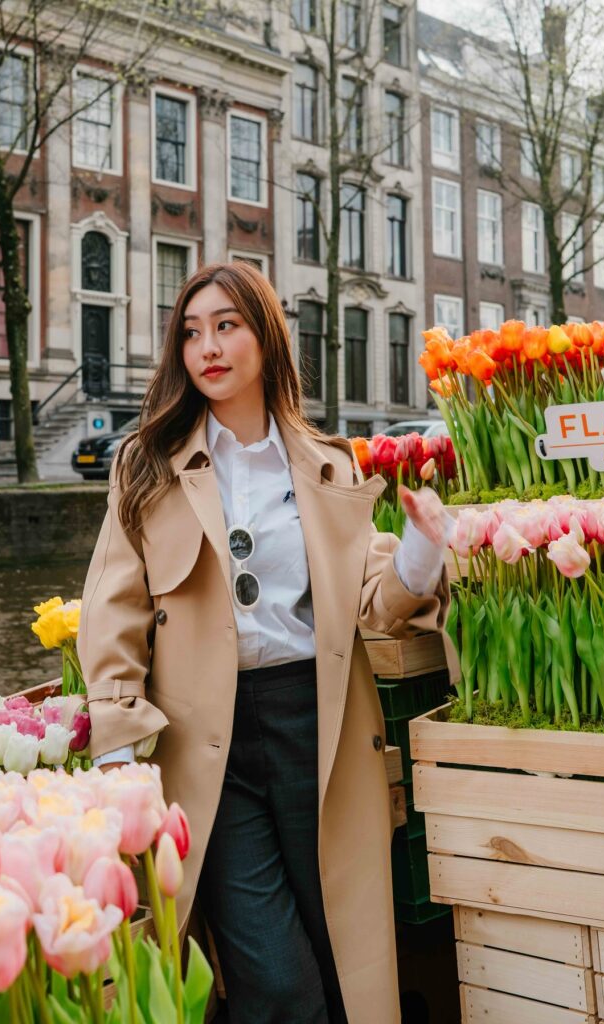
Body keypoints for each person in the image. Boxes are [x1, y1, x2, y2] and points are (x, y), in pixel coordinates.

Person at [73, 261, 457, 1024]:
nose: (207, 347)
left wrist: (421, 544)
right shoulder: (146, 464)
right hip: (203, 750)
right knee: (276, 980)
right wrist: (117, 750)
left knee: (340, 951)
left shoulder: (328, 463)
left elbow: (378, 604)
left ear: (266, 336)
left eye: (227, 325)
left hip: (320, 733)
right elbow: (111, 608)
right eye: (190, 332)